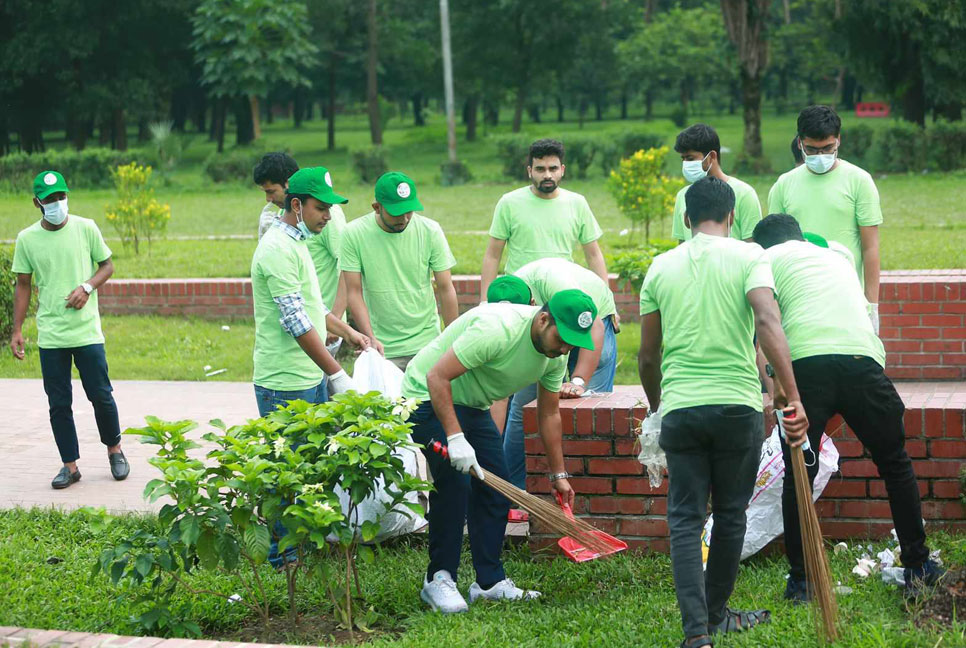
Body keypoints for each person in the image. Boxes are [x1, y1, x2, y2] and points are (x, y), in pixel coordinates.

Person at [637, 177, 809, 648]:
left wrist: (657, 408)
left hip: (683, 409)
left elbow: (648, 356)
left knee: (686, 519)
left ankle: (698, 633)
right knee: (732, 514)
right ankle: (715, 615)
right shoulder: (749, 256)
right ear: (732, 217)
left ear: (687, 219)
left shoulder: (660, 267)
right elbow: (769, 324)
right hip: (737, 407)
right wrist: (788, 397)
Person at [751, 213, 944, 601]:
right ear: (800, 236)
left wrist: (774, 393)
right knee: (895, 462)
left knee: (798, 474)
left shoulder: (763, 262)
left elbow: (765, 334)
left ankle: (803, 581)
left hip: (805, 365)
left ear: (762, 245)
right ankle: (919, 563)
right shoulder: (836, 257)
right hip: (863, 361)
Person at [400, 290, 596, 613]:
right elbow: (436, 376)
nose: (565, 348)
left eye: (573, 343)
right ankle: (438, 578)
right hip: (423, 395)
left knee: (498, 486)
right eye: (563, 338)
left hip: (471, 403)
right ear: (544, 319)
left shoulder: (556, 355)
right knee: (455, 481)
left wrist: (559, 475)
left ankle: (488, 582)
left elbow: (549, 414)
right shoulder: (497, 330)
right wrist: (455, 437)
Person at [10, 170, 129, 489]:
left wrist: (87, 287)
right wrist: (17, 329)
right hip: (51, 335)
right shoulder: (27, 239)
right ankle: (70, 465)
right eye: (50, 200)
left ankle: (115, 450)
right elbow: (23, 284)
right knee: (59, 403)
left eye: (61, 197)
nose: (58, 204)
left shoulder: (85, 228)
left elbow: (107, 265)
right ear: (37, 202)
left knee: (101, 396)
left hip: (87, 332)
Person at [502, 257, 618, 490]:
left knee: (589, 408)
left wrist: (578, 380)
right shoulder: (505, 306)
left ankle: (592, 488)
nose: (565, 350)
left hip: (595, 319)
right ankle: (513, 488)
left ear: (534, 303)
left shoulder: (557, 285)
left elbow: (593, 326)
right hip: (546, 328)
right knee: (523, 407)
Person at [768, 105, 882, 333]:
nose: (820, 156)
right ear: (800, 143)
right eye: (812, 149)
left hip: (847, 298)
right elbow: (773, 251)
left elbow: (870, 248)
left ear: (838, 140)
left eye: (827, 148)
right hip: (798, 298)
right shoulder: (784, 185)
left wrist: (872, 306)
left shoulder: (859, 180)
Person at [341, 171, 459, 372]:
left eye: (409, 211)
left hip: (427, 342)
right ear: (377, 207)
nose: (404, 219)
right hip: (382, 347)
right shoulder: (354, 233)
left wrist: (453, 339)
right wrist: (370, 337)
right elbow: (353, 292)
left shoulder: (430, 230)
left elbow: (446, 288)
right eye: (397, 212)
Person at [481, 138, 608, 299]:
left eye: (553, 168)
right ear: (530, 171)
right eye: (540, 169)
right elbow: (492, 256)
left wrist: (607, 301)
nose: (547, 175)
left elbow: (594, 255)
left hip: (562, 293)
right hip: (520, 295)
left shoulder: (577, 203)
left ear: (562, 170)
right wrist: (485, 301)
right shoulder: (509, 203)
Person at [253, 153, 349, 369]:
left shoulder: (323, 218)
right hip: (299, 326)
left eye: (271, 191)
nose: (268, 199)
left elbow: (349, 266)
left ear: (288, 185)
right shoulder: (287, 223)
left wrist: (336, 320)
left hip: (323, 325)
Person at [671, 124, 762, 244]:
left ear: (712, 156)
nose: (685, 164)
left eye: (690, 158)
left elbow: (753, 247)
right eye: (683, 159)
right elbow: (683, 246)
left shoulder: (744, 194)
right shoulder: (683, 196)